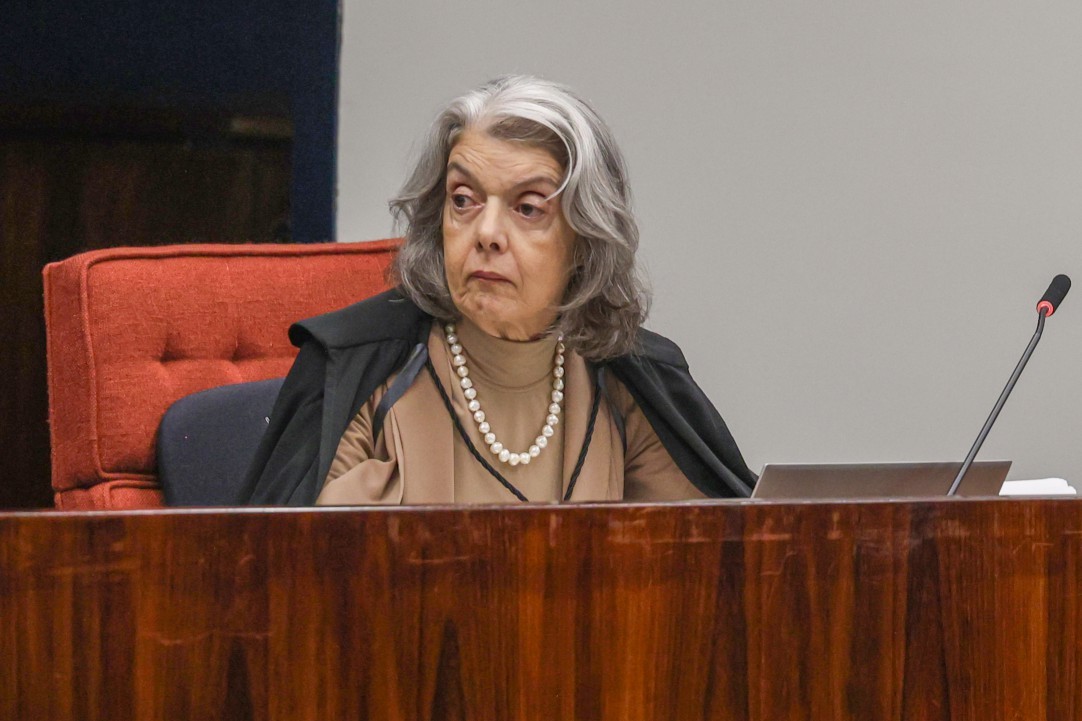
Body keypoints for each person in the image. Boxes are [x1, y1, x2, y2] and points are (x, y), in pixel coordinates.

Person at [240, 75, 755, 505]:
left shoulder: (634, 381)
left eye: (528, 208)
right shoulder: (354, 370)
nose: (486, 233)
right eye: (463, 200)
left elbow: (722, 559)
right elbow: (274, 572)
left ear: (586, 240)